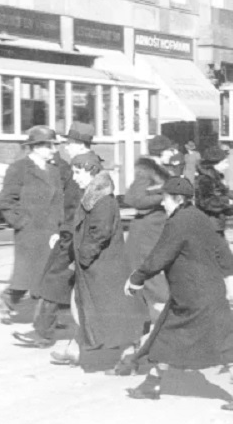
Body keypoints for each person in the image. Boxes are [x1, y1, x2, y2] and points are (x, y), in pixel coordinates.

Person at [124, 177, 233, 411]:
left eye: (165, 198)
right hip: (206, 291)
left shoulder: (179, 221)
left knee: (189, 336)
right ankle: (152, 384)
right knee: (172, 334)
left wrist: (137, 278)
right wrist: (231, 281)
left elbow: (161, 254)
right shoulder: (198, 217)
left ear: (177, 199)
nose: (162, 203)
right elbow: (221, 249)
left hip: (192, 295)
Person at [48, 152, 142, 370]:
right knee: (82, 306)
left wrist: (83, 257)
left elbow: (99, 233)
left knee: (109, 313)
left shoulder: (103, 200)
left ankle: (130, 354)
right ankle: (77, 349)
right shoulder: (93, 196)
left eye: (78, 172)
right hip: (95, 266)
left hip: (103, 268)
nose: (75, 177)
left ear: (90, 170)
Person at [13, 122, 93, 348]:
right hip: (75, 231)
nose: (63, 147)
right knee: (63, 281)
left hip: (74, 232)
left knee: (54, 280)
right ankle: (46, 331)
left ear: (78, 144)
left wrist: (64, 231)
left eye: (67, 143)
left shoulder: (83, 165)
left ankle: (43, 334)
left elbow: (78, 204)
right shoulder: (86, 162)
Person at [111, 135, 176, 375]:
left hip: (156, 236)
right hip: (145, 240)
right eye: (170, 150)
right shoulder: (147, 173)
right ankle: (146, 352)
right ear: (162, 151)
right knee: (155, 293)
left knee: (152, 296)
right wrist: (166, 196)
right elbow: (133, 199)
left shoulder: (159, 171)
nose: (172, 154)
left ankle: (141, 351)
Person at [0, 126, 64, 324]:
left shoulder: (53, 171)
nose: (53, 150)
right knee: (25, 277)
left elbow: (59, 201)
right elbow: (6, 201)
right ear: (36, 147)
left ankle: (46, 321)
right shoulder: (18, 169)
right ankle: (9, 298)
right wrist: (21, 222)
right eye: (50, 146)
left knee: (48, 277)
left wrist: (60, 227)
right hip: (29, 232)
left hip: (51, 232)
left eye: (54, 146)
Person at [195, 145, 233, 234]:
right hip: (210, 224)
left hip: (217, 222)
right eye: (225, 162)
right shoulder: (205, 180)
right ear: (215, 164)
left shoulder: (215, 178)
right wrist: (228, 201)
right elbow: (206, 201)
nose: (227, 166)